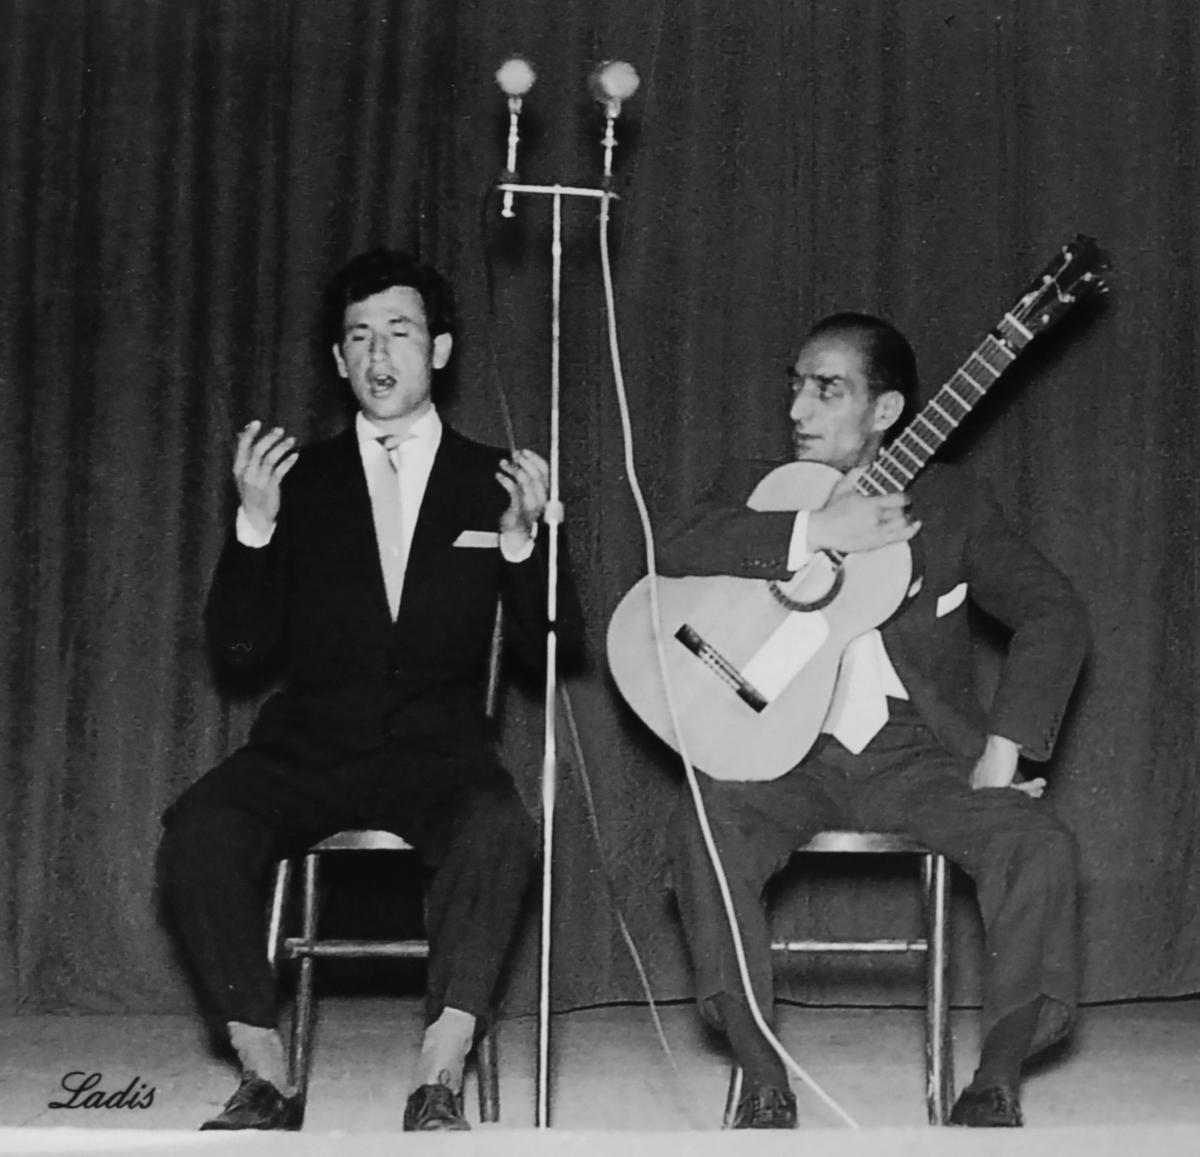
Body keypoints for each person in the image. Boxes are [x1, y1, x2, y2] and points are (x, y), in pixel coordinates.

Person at [161, 248, 573, 1132]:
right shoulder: (295, 481)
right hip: (310, 744)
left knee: (500, 827)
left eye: (401, 332)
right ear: (338, 360)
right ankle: (264, 1073)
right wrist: (255, 525)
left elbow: (556, 648)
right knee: (198, 827)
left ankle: (439, 1073)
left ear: (442, 348)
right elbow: (238, 648)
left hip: (438, 750)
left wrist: (520, 545)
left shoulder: (498, 480)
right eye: (359, 337)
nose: (380, 356)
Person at [661, 313, 1087, 1129]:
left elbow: (1054, 612)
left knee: (1037, 841)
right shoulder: (753, 487)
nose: (799, 409)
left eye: (828, 390)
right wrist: (814, 529)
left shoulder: (954, 502)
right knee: (704, 823)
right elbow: (674, 549)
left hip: (920, 758)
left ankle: (996, 1078)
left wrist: (1003, 750)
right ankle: (761, 1075)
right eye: (796, 385)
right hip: (783, 755)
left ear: (886, 411)